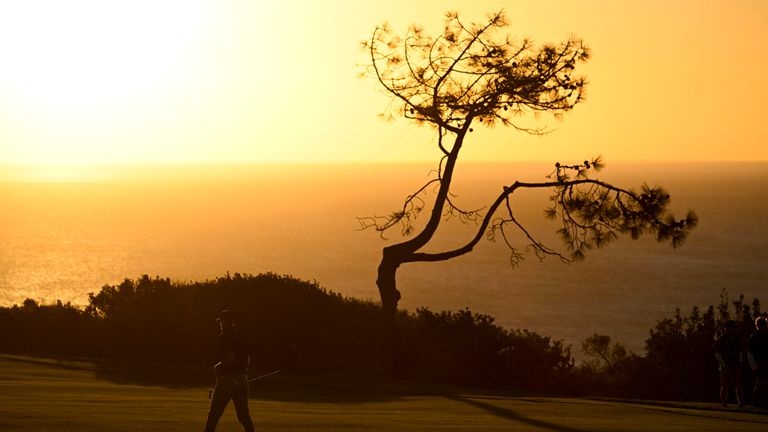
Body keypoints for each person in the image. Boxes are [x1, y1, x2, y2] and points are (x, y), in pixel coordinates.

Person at [204, 309, 255, 432]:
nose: (220, 324)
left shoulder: (225, 336)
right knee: (243, 416)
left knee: (214, 415)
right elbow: (247, 359)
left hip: (227, 379)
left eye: (222, 321)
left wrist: (217, 367)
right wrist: (240, 374)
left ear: (226, 322)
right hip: (242, 379)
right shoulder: (241, 336)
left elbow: (230, 358)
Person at [714, 320, 744, 408]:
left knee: (738, 385)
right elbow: (717, 353)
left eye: (734, 328)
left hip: (736, 364)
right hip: (725, 365)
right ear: (726, 329)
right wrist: (723, 365)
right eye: (731, 328)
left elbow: (740, 352)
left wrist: (740, 362)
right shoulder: (721, 339)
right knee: (724, 385)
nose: (733, 330)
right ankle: (724, 403)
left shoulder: (736, 339)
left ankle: (741, 403)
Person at [748, 316, 768, 409]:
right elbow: (750, 353)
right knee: (760, 384)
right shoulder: (754, 337)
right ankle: (754, 403)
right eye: (762, 325)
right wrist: (754, 366)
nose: (764, 327)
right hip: (759, 363)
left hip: (765, 362)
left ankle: (762, 403)